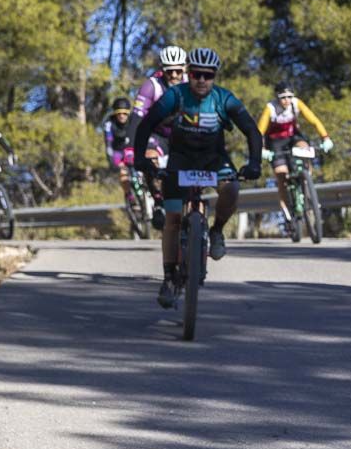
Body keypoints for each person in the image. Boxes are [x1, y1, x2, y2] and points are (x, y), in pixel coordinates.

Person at [132, 47, 263, 307]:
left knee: (232, 189)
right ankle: (168, 278)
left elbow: (251, 130)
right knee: (172, 219)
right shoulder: (175, 95)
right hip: (180, 159)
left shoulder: (224, 98)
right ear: (188, 74)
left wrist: (255, 163)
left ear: (214, 76)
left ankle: (216, 231)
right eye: (196, 74)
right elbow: (146, 124)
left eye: (207, 75)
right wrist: (139, 158)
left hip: (213, 159)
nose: (201, 80)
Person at [127, 45, 188, 229]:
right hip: (157, 134)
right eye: (170, 72)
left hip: (183, 133)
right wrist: (131, 149)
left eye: (179, 70)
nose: (175, 76)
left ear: (184, 69)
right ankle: (159, 201)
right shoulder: (151, 86)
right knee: (150, 156)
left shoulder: (192, 82)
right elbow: (137, 118)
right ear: (163, 70)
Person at [257, 83, 333, 227]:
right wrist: (262, 150)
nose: (287, 100)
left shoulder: (296, 104)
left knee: (305, 149)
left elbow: (314, 121)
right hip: (275, 142)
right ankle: (286, 211)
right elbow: (259, 131)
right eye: (283, 97)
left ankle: (306, 183)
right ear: (277, 97)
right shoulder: (270, 108)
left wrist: (326, 138)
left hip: (293, 138)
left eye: (290, 97)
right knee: (281, 175)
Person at [104, 98, 136, 200]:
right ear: (115, 114)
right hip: (117, 151)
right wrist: (112, 160)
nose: (122, 116)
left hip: (130, 148)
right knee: (123, 174)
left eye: (124, 113)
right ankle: (129, 196)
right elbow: (108, 143)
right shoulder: (109, 123)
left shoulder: (133, 120)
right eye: (119, 113)